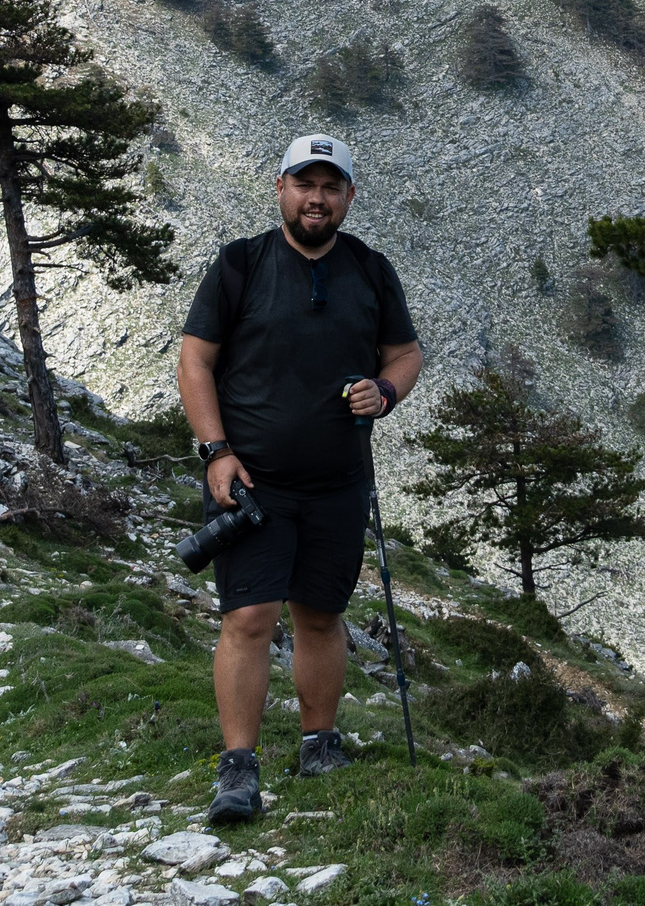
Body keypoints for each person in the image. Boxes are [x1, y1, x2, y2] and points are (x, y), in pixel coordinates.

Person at [177, 132, 422, 821]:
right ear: (279, 186)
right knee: (249, 616)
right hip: (251, 480)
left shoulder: (371, 270)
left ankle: (319, 745)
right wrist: (216, 451)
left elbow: (404, 352)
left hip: (340, 482)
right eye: (304, 183)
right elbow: (194, 361)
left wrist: (386, 390)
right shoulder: (241, 264)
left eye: (331, 186)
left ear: (349, 196)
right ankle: (238, 769)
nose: (317, 198)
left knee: (321, 613)